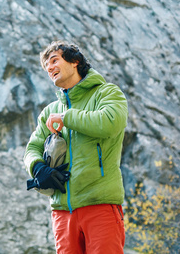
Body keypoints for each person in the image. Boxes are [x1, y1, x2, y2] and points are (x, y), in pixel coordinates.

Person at [24, 40, 128, 253]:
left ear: (75, 61)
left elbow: (110, 122)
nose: (50, 68)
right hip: (63, 213)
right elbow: (31, 149)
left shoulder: (106, 93)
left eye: (54, 60)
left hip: (100, 206)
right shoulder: (49, 111)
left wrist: (66, 118)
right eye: (47, 67)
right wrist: (38, 168)